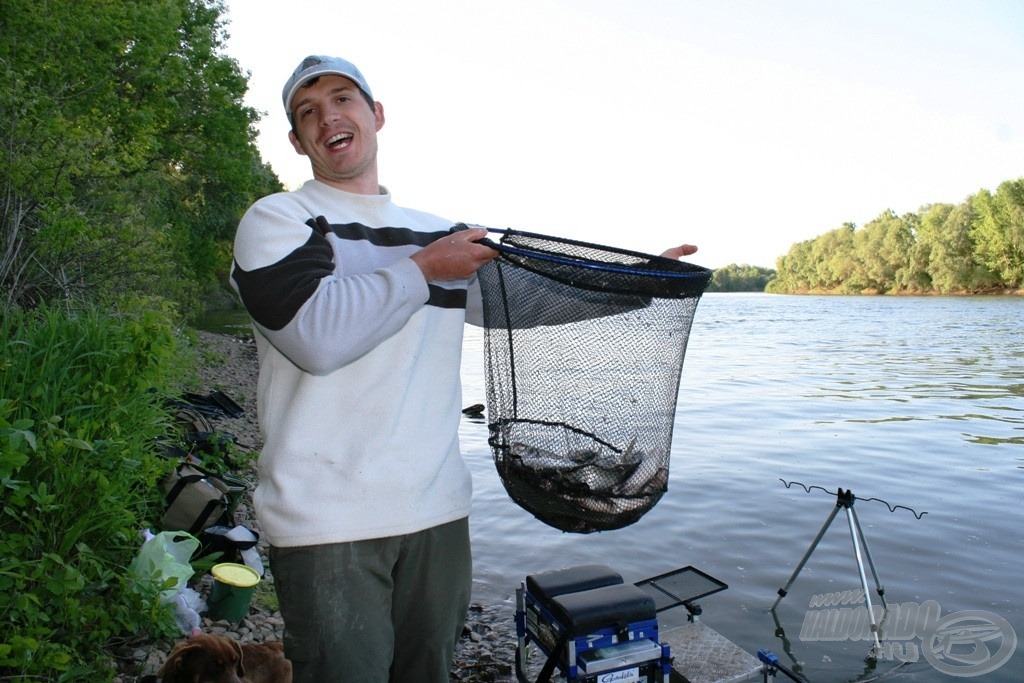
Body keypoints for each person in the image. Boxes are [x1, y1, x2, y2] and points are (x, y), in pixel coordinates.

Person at [230, 54, 697, 682]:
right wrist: (424, 270)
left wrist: (638, 282)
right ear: (296, 140)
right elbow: (315, 338)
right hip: (325, 520)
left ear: (377, 115)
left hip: (437, 513)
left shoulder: (437, 232)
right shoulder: (279, 220)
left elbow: (529, 298)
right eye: (308, 112)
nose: (328, 118)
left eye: (344, 99)